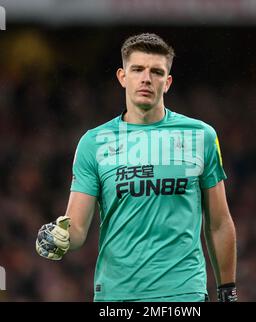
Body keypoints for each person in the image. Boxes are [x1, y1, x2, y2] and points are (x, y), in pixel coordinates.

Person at [36, 33, 237, 302]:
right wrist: (58, 237)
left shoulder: (200, 136)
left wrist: (228, 292)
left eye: (156, 72)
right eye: (138, 69)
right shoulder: (93, 143)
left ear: (167, 83)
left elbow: (219, 223)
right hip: (116, 296)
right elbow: (77, 229)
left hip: (184, 294)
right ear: (122, 77)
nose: (146, 78)